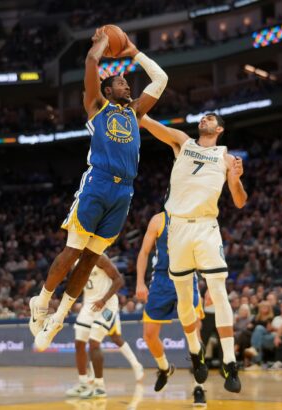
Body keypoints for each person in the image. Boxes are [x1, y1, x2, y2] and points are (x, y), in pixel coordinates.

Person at [30, 27, 168, 350]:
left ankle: (59, 317)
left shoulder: (135, 112)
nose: (127, 84)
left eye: (126, 81)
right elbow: (93, 59)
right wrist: (104, 39)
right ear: (107, 89)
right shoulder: (97, 106)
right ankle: (42, 301)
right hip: (99, 183)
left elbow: (160, 80)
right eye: (121, 82)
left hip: (124, 193)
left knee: (91, 259)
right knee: (73, 251)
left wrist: (134, 52)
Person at [140, 112, 248, 393]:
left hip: (205, 227)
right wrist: (136, 109)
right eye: (202, 117)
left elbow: (239, 202)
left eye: (210, 118)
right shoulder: (183, 142)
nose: (204, 120)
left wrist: (235, 179)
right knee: (184, 299)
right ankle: (195, 350)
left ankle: (230, 362)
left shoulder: (226, 158)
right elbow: (148, 122)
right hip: (177, 229)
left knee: (219, 292)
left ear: (219, 128)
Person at [136, 211, 206, 405]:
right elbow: (143, 252)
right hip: (161, 281)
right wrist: (140, 283)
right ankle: (165, 368)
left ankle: (199, 387)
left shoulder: (194, 216)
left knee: (194, 333)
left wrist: (209, 283)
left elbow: (203, 251)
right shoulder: (158, 219)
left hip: (187, 277)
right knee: (149, 335)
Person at [66, 254, 143, 399]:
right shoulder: (74, 262)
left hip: (107, 305)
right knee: (79, 343)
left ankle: (100, 386)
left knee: (95, 343)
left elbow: (119, 280)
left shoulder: (99, 257)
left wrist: (103, 300)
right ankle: (83, 383)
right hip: (89, 305)